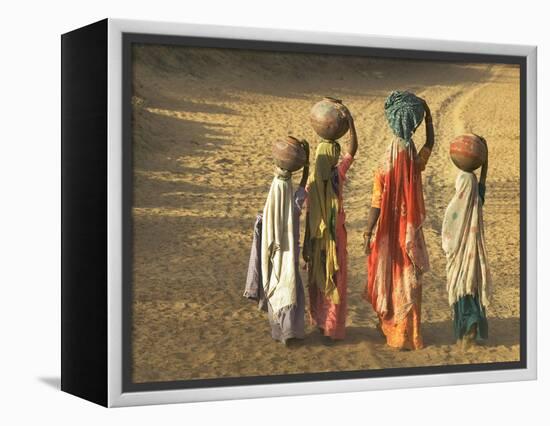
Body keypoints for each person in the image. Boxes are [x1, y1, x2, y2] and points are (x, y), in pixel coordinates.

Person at [363, 91, 434, 350]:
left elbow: (376, 201)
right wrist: (429, 119)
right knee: (410, 280)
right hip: (409, 232)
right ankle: (410, 334)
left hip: (388, 233)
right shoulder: (414, 158)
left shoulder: (386, 161)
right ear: (413, 124)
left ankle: (392, 329)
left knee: (390, 276)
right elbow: (430, 146)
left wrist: (368, 230)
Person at [244, 139, 310, 346]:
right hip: (288, 249)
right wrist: (307, 166)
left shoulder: (276, 188)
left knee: (278, 284)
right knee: (289, 286)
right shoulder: (288, 194)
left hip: (277, 250)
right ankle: (289, 331)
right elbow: (300, 196)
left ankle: (280, 330)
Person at [303, 106, 357, 341]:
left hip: (316, 239)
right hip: (336, 236)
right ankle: (331, 328)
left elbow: (307, 214)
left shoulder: (311, 183)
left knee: (318, 278)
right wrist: (351, 123)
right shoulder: (338, 176)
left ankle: (318, 322)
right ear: (334, 158)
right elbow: (352, 150)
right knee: (335, 278)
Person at [442, 137, 491, 350]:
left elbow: (448, 230)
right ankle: (472, 328)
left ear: (460, 186)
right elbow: (482, 183)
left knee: (461, 288)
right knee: (472, 287)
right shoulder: (477, 197)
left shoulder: (457, 203)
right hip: (473, 251)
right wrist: (485, 161)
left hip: (461, 254)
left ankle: (467, 329)